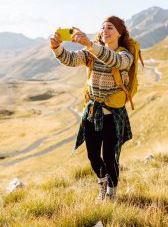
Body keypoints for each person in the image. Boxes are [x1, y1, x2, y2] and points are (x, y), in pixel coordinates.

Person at [50, 16, 133, 201]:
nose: (105, 30)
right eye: (103, 27)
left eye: (110, 27)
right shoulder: (91, 52)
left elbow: (114, 61)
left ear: (120, 32)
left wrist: (90, 44)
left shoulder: (125, 55)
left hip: (112, 115)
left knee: (110, 158)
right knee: (93, 156)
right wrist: (57, 48)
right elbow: (71, 59)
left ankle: (111, 194)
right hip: (92, 112)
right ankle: (102, 184)